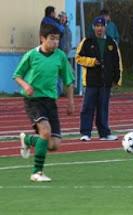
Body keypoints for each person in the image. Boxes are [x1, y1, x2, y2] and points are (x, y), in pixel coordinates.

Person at [13, 24, 75, 182]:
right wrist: (26, 85)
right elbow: (17, 75)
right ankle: (37, 172)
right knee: (45, 132)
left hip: (50, 101)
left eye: (57, 39)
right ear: (42, 39)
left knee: (53, 145)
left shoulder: (60, 56)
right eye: (52, 39)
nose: (55, 42)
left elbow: (68, 81)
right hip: (33, 101)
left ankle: (27, 140)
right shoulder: (31, 55)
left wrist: (70, 102)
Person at [76, 16, 120, 141]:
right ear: (93, 27)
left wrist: (117, 79)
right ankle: (85, 133)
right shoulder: (87, 41)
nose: (99, 28)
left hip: (105, 82)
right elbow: (78, 58)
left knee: (103, 108)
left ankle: (104, 133)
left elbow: (117, 61)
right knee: (88, 107)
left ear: (106, 27)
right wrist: (91, 61)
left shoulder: (111, 42)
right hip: (91, 81)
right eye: (97, 26)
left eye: (102, 26)